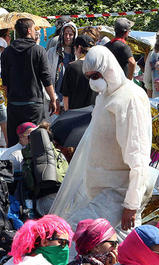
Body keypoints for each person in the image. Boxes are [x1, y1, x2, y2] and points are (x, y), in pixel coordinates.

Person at [50, 46, 153, 236]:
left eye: (96, 75)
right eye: (89, 77)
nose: (93, 82)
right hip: (100, 191)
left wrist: (131, 204)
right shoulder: (104, 98)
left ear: (109, 69)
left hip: (118, 193)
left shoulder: (129, 98)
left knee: (80, 239)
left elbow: (137, 155)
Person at [1, 18, 57, 147]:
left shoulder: (7, 52)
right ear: (29, 30)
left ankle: (14, 165)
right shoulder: (38, 50)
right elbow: (46, 77)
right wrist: (53, 99)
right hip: (33, 104)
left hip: (14, 103)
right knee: (36, 141)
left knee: (14, 142)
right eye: (34, 29)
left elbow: (4, 82)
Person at [61, 34, 96, 110]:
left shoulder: (72, 67)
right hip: (93, 114)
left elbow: (65, 95)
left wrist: (67, 113)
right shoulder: (97, 66)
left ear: (79, 48)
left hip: (75, 115)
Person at [46, 21, 77, 109]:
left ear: (75, 36)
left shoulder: (77, 54)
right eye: (65, 34)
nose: (67, 37)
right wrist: (51, 97)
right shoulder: (52, 52)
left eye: (70, 34)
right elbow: (46, 75)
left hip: (72, 99)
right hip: (55, 97)